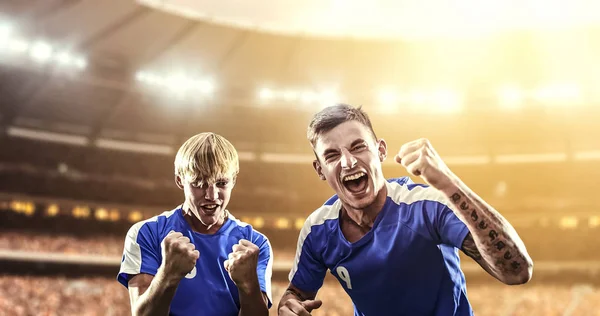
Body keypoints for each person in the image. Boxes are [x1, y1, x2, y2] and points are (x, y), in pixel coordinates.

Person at [278, 104, 533, 316]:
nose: (348, 161)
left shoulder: (427, 207)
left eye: (358, 147)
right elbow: (297, 293)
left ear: (381, 151)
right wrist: (287, 306)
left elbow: (517, 271)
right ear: (320, 169)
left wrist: (447, 182)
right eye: (332, 155)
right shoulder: (317, 231)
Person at [117, 132, 273, 316]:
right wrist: (168, 274)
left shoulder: (254, 243)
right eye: (199, 183)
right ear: (180, 180)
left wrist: (249, 286)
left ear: (234, 181)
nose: (212, 196)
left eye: (221, 183)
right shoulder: (147, 233)